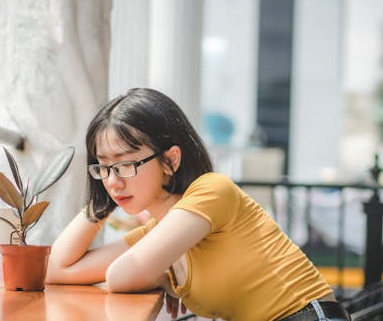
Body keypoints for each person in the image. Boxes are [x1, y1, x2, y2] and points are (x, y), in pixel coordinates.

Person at [46, 88, 351, 321]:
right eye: (103, 167)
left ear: (170, 159)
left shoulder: (211, 192)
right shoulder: (161, 231)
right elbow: (56, 269)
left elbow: (120, 277)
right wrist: (100, 205)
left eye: (125, 164)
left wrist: (160, 277)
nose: (113, 181)